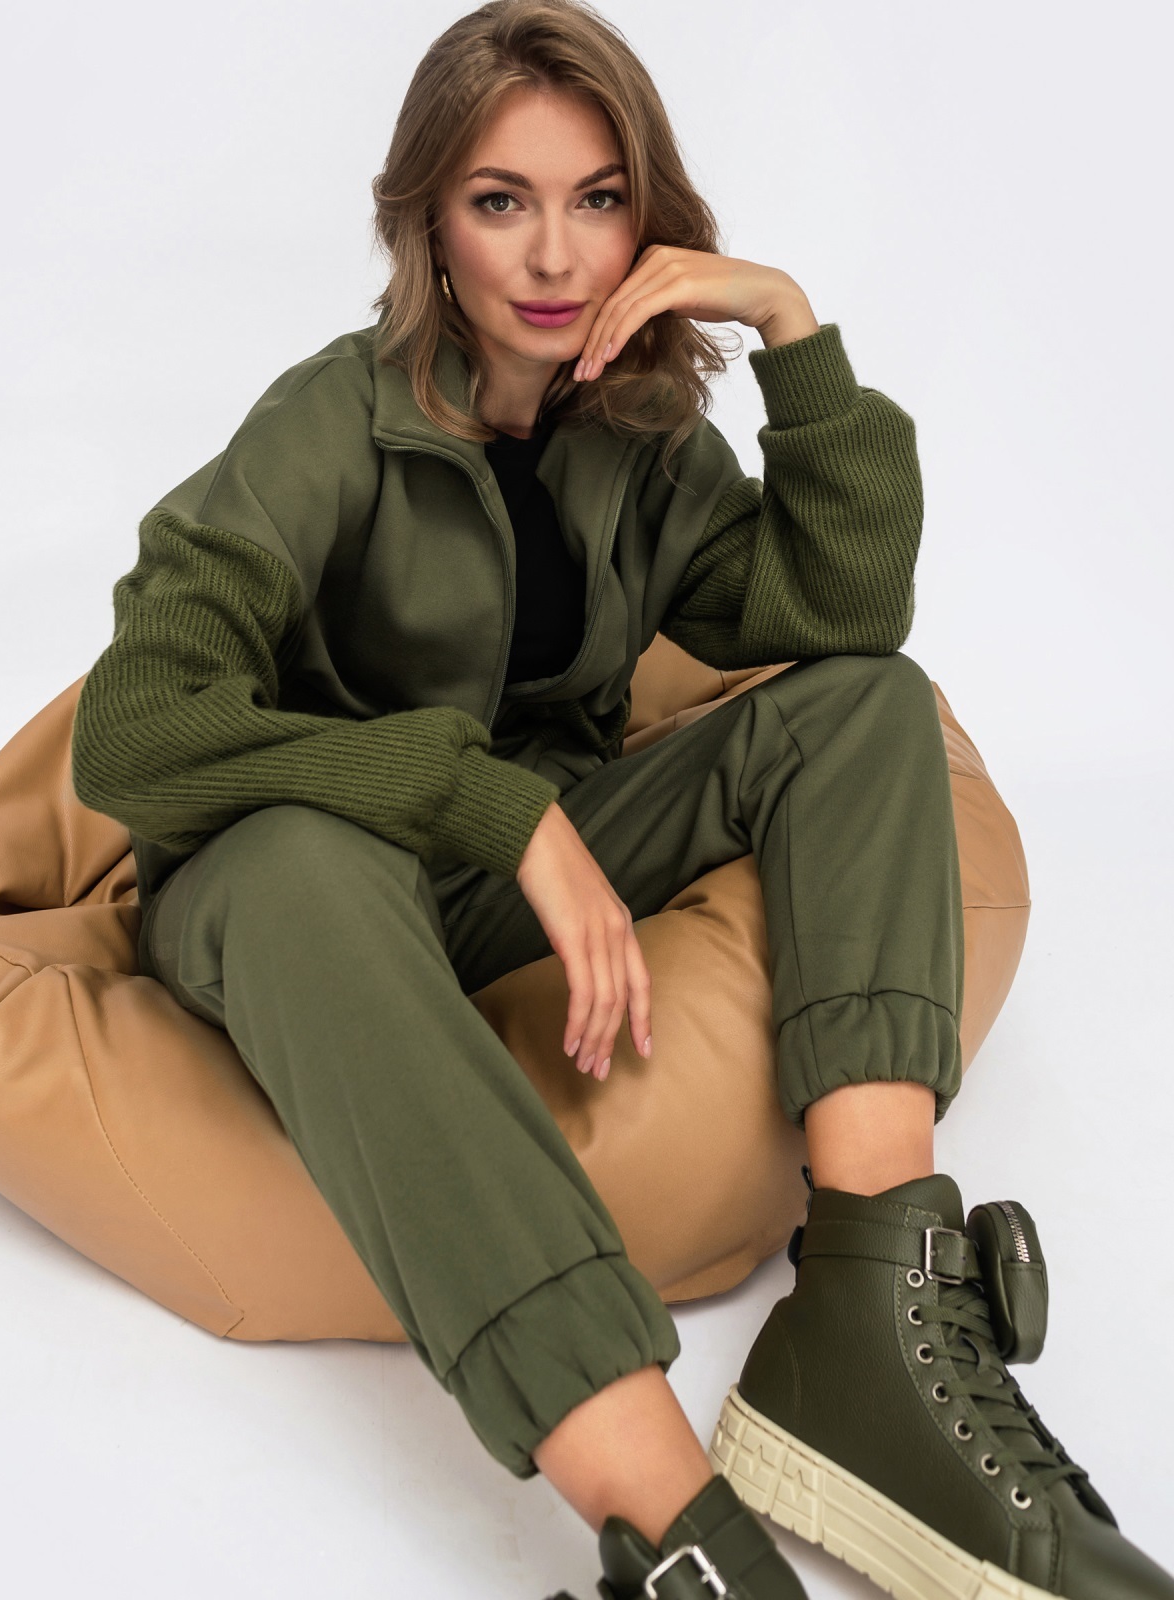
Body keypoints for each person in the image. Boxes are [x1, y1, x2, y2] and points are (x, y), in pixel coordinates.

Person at [69, 3, 1173, 1597]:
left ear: (649, 218)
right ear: (428, 226)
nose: (552, 253)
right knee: (306, 862)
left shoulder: (637, 440)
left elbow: (841, 610)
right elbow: (132, 734)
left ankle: (875, 1316)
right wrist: (486, 805)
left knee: (869, 706)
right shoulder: (326, 427)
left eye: (597, 198)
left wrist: (791, 330)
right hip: (294, 894)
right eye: (498, 200)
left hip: (517, 887)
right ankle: (672, 1527)